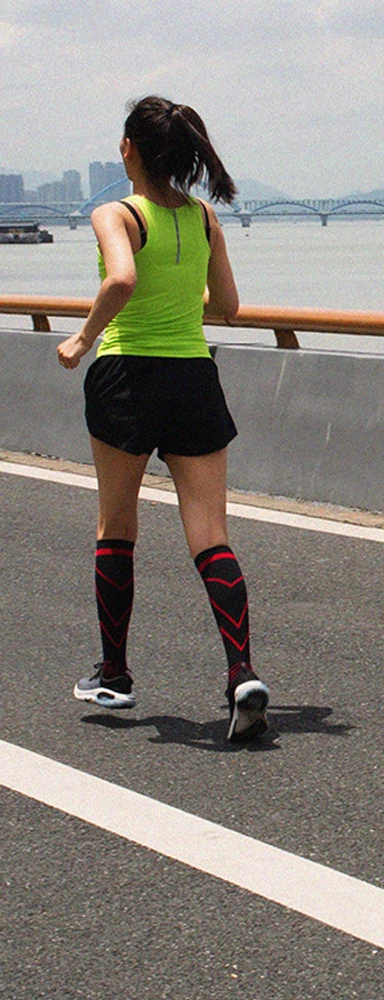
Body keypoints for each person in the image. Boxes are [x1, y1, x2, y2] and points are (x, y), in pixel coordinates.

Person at [57, 96, 269, 743]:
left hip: (127, 378)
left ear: (130, 150)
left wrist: (81, 339)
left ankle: (115, 676)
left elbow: (119, 278)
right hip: (193, 379)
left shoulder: (115, 213)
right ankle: (241, 675)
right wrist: (179, 290)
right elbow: (228, 305)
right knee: (210, 534)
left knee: (116, 525)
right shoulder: (204, 219)